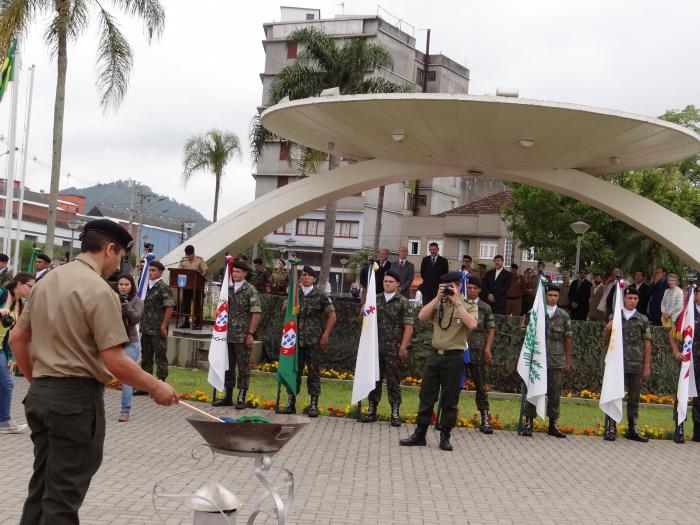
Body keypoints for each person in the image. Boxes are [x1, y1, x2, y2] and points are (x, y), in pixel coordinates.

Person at [10, 219, 177, 524]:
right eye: (121, 258)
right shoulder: (100, 291)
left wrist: (38, 380)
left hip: (41, 397)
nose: (118, 266)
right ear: (110, 249)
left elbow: (17, 339)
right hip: (75, 402)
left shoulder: (47, 280)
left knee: (42, 488)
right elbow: (115, 360)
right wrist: (155, 386)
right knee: (62, 497)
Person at [400, 271, 478, 451]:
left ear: (459, 286)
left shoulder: (468, 305)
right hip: (435, 355)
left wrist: (457, 302)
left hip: (455, 356)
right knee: (426, 395)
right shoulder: (439, 302)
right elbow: (422, 316)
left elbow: (472, 325)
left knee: (450, 398)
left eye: (452, 285)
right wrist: (437, 297)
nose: (449, 289)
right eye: (446, 286)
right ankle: (420, 434)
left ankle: (445, 436)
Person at [280, 266, 336, 417]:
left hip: (314, 341)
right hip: (295, 341)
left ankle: (313, 405)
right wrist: (287, 304)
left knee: (313, 373)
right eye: (303, 275)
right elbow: (285, 314)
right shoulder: (294, 294)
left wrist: (325, 335)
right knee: (294, 372)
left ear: (314, 279)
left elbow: (332, 316)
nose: (304, 277)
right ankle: (291, 402)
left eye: (307, 275)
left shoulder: (320, 294)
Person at [362, 270, 414, 426]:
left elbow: (409, 326)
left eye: (391, 281)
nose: (387, 284)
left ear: (397, 284)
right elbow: (365, 321)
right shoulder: (374, 299)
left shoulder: (403, 302)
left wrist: (403, 347)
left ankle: (395, 411)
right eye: (385, 281)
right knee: (374, 380)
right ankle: (372, 409)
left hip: (394, 348)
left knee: (393, 381)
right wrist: (363, 310)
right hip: (375, 348)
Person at [521, 285, 573, 439]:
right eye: (550, 295)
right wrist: (531, 327)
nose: (552, 298)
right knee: (533, 390)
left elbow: (567, 339)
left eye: (555, 296)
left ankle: (553, 424)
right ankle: (529, 422)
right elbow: (522, 331)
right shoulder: (535, 312)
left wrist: (567, 361)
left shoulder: (564, 316)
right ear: (545, 296)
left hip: (556, 361)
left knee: (554, 393)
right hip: (537, 359)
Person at [603, 286, 652, 442]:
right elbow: (607, 340)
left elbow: (647, 344)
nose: (632, 301)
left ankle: (633, 428)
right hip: (617, 364)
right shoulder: (615, 316)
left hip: (635, 364)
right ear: (623, 299)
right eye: (630, 298)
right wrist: (607, 329)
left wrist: (646, 366)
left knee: (634, 398)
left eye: (635, 299)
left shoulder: (642, 319)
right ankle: (611, 427)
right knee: (614, 395)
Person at [213, 261, 261, 409]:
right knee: (228, 366)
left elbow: (256, 313)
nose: (234, 274)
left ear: (245, 273)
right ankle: (228, 396)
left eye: (238, 271)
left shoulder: (250, 290)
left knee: (243, 367)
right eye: (233, 271)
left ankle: (241, 396)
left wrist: (250, 334)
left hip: (242, 336)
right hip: (227, 334)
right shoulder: (228, 289)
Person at [0, 272, 34, 434]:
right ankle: (4, 422)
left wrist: (10, 356)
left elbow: (11, 334)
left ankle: (4, 421)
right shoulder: (2, 294)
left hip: (1, 348)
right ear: (19, 284)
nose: (32, 289)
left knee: (6, 384)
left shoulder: (20, 304)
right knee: (7, 384)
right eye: (30, 286)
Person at [669, 287, 700, 443]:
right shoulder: (687, 313)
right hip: (688, 360)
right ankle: (679, 427)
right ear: (696, 295)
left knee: (699, 396)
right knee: (682, 392)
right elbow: (672, 335)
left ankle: (698, 431)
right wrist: (676, 352)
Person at [136, 260, 175, 389]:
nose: (151, 273)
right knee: (146, 356)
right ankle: (146, 386)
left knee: (160, 356)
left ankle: (161, 384)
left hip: (158, 328)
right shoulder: (145, 286)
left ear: (160, 272)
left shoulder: (163, 287)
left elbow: (169, 307)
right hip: (146, 327)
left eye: (154, 271)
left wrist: (164, 326)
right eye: (150, 270)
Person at [464, 275, 495, 434]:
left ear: (480, 290)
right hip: (460, 350)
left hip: (477, 352)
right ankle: (446, 417)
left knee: (481, 386)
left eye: (475, 288)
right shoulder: (459, 304)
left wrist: (487, 349)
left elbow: (490, 330)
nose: (471, 291)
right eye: (469, 288)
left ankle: (485, 419)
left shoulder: (485, 307)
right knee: (454, 385)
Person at [114, 273, 143, 422]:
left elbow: (136, 319)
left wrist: (127, 307)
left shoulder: (137, 301)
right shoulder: (111, 298)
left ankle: (125, 411)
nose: (123, 287)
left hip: (130, 342)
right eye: (120, 284)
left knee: (127, 377)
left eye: (126, 285)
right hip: (112, 341)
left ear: (131, 286)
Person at [178, 244, 208, 329]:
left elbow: (205, 270)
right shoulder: (183, 260)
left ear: (193, 253)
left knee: (197, 305)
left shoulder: (199, 260)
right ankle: (186, 321)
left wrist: (200, 277)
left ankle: (198, 322)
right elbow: (178, 271)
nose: (188, 257)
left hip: (197, 287)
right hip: (186, 286)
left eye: (190, 255)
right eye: (187, 255)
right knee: (185, 304)